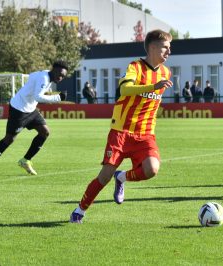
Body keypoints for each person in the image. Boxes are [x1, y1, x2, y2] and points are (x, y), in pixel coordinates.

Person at [70, 29, 173, 223]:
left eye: (170, 48)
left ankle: (122, 177)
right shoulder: (135, 66)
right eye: (165, 48)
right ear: (152, 47)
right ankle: (80, 210)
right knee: (104, 176)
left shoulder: (166, 72)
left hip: (145, 134)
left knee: (152, 169)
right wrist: (152, 87)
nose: (169, 52)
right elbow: (124, 89)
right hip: (121, 131)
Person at [0, 60, 69, 177]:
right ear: (54, 69)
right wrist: (58, 97)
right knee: (9, 139)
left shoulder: (45, 75)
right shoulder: (44, 78)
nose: (61, 77)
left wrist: (30, 89)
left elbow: (32, 77)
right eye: (60, 74)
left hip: (30, 109)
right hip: (19, 109)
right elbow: (38, 96)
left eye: (63, 76)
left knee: (44, 132)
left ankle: (25, 161)